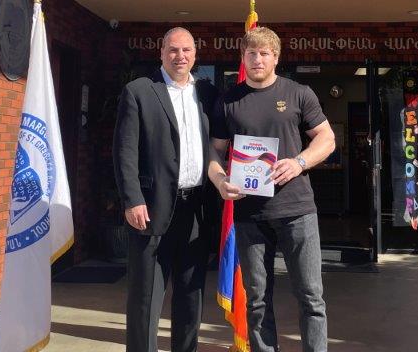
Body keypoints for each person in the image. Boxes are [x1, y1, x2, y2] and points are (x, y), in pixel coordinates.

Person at [208, 27, 336, 352]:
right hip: (250, 215)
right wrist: (220, 180)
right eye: (251, 53)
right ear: (243, 58)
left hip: (297, 211)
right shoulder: (228, 101)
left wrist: (299, 162)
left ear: (276, 57)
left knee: (311, 297)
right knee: (257, 299)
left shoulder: (298, 93)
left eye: (264, 53)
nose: (257, 59)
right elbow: (215, 151)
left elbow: (327, 138)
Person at [113, 27, 217, 352]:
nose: (180, 56)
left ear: (195, 55)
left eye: (186, 50)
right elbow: (124, 151)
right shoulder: (140, 91)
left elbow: (221, 144)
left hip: (196, 211)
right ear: (161, 53)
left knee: (190, 298)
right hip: (151, 209)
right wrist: (132, 199)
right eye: (173, 50)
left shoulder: (208, 94)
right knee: (145, 300)